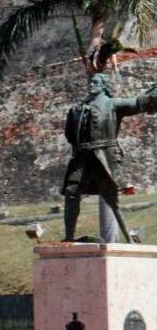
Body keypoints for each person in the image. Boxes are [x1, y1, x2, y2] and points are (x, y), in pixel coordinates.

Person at [62, 74, 157, 242]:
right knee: (71, 193)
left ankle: (129, 238)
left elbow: (137, 103)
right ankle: (69, 238)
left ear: (104, 86)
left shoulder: (112, 104)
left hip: (103, 158)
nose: (92, 85)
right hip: (81, 158)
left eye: (96, 82)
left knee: (111, 198)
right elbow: (70, 134)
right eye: (91, 82)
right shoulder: (78, 107)